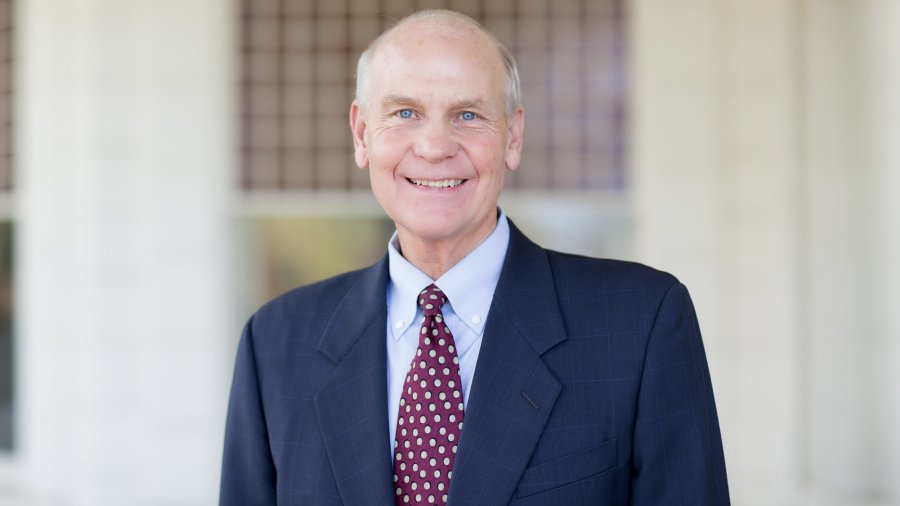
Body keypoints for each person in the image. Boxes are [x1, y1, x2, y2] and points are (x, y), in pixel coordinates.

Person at [220, 9, 729, 506]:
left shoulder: (641, 322)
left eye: (467, 115)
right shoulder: (275, 344)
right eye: (404, 113)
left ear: (512, 136)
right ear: (361, 134)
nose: (435, 145)